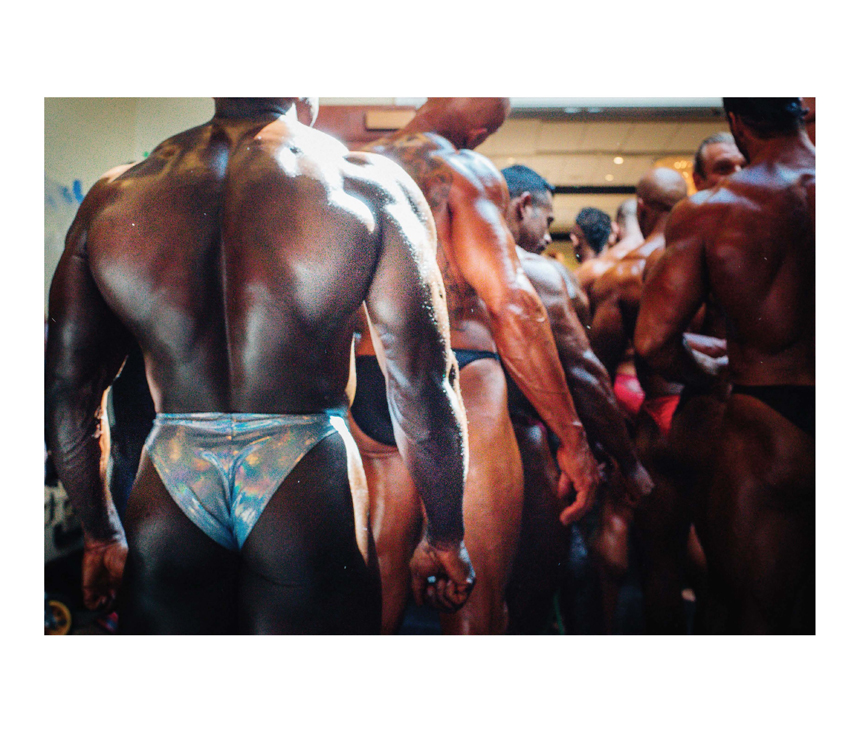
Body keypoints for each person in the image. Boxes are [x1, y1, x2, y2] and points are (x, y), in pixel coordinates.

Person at [44, 97, 475, 634]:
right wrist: (445, 535)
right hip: (306, 468)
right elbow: (422, 384)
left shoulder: (117, 193)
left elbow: (68, 390)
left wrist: (101, 533)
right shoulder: (365, 184)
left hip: (174, 470)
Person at [349, 98, 600, 634]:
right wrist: (572, 439)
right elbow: (513, 305)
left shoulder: (353, 169)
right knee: (475, 611)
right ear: (480, 132)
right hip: (460, 379)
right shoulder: (463, 171)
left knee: (370, 615)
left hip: (372, 385)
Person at [635, 98, 815, 633]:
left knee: (758, 621)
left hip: (769, 424)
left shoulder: (713, 209)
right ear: (803, 111)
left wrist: (711, 372)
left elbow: (653, 342)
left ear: (736, 122)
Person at [500, 164, 653, 632]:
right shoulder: (539, 274)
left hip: (438, 455)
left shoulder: (441, 262)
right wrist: (628, 464)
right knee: (535, 598)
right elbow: (584, 374)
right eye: (547, 223)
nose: (549, 239)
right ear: (524, 207)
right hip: (522, 450)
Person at [587, 166, 689, 631]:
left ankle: (608, 628)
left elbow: (598, 369)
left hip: (645, 400)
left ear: (642, 208)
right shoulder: (712, 257)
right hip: (704, 409)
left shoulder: (624, 274)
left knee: (628, 522)